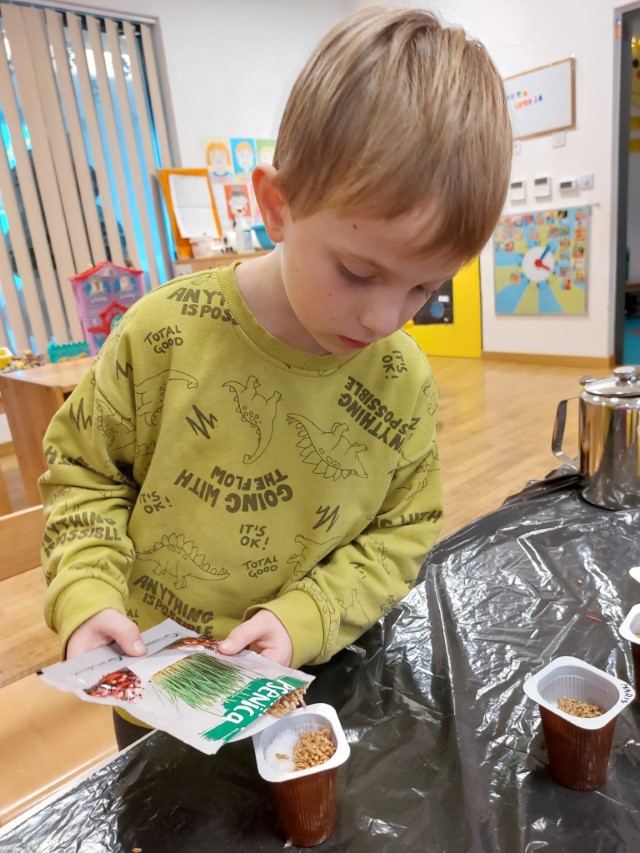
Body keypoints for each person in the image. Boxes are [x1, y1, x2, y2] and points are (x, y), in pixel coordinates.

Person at [39, 4, 512, 748]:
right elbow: (84, 474)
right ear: (277, 206)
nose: (386, 318)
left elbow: (403, 529)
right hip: (157, 689)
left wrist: (304, 618)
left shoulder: (402, 381)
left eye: (426, 288)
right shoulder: (163, 335)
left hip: (320, 680)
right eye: (358, 271)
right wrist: (86, 591)